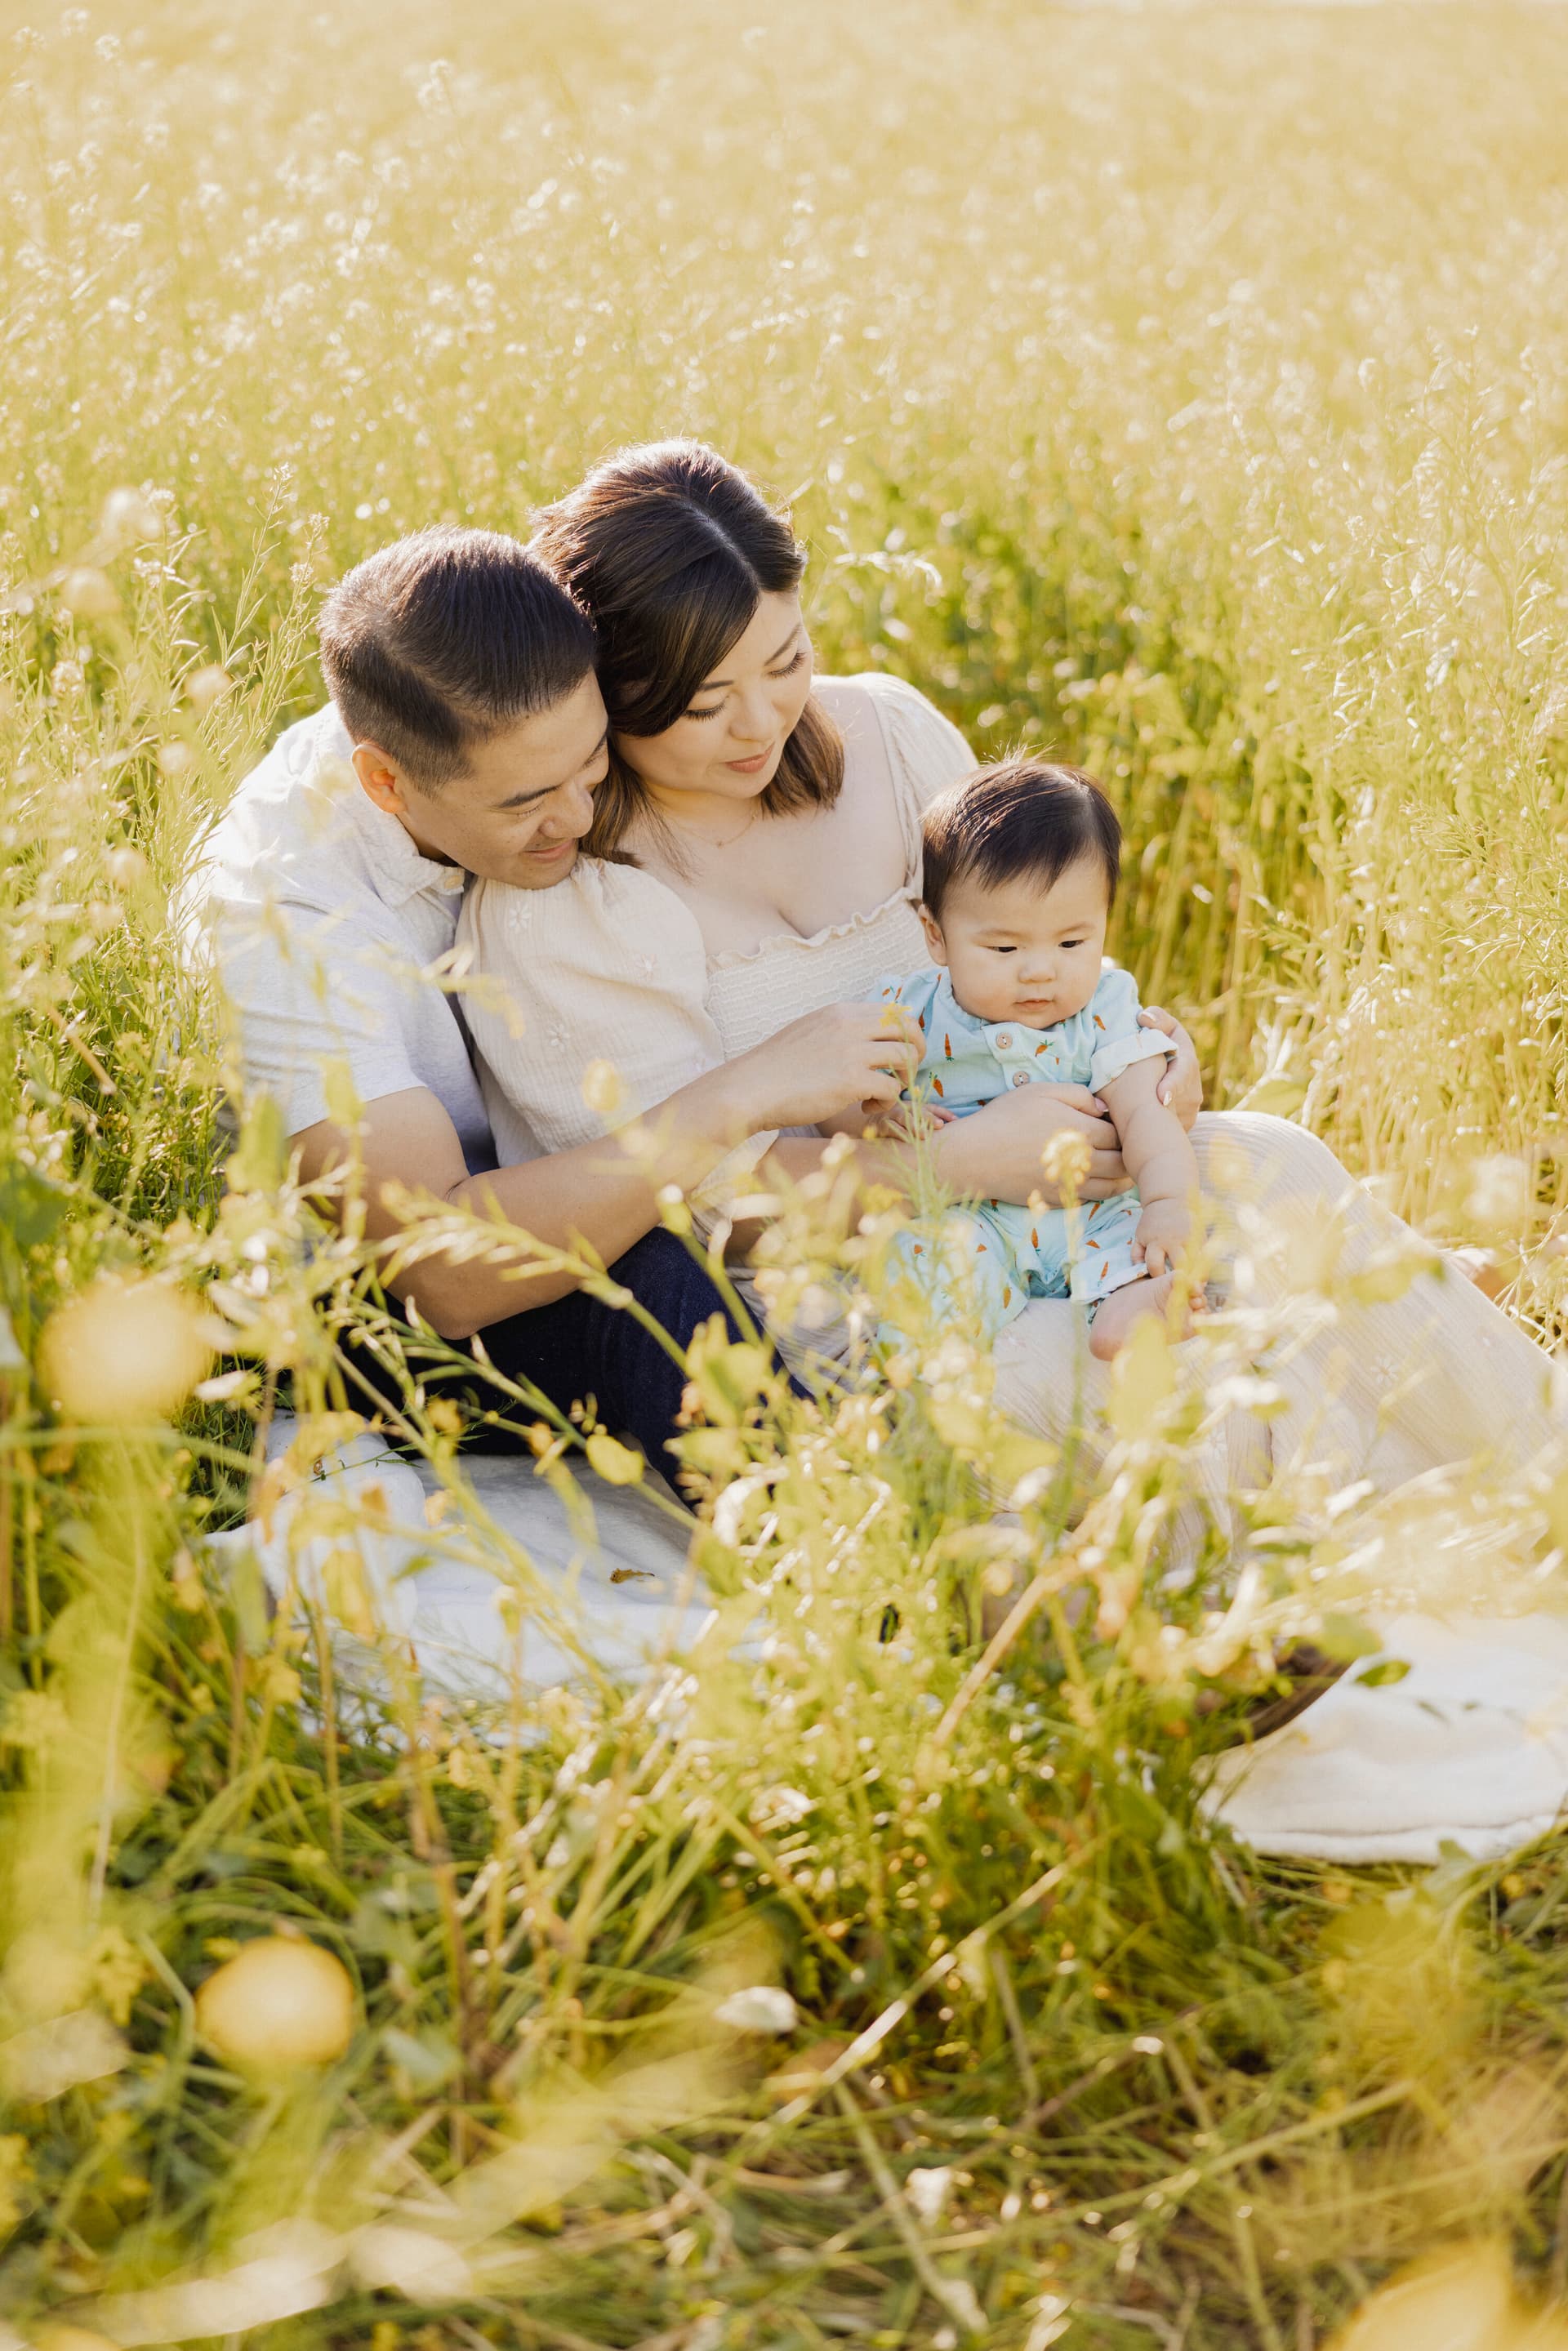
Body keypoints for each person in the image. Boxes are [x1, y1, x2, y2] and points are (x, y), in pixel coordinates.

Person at [494, 436, 1561, 1499]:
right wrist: (949, 1169)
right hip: (869, 1283)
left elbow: (1035, 939)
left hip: (1064, 1197)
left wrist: (1143, 1060)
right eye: (705, 701)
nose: (764, 718)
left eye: (785, 661)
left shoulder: (890, 732)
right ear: (613, 696)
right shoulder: (572, 905)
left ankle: (1528, 1466)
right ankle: (1393, 1490)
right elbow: (674, 1219)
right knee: (1172, 1363)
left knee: (1271, 1161)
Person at [186, 527, 928, 1480]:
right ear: (385, 782)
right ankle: (823, 1551)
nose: (579, 821)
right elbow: (440, 1271)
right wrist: (739, 1095)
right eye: (527, 803)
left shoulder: (485, 682)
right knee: (655, 1282)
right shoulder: (285, 926)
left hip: (564, 1163)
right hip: (374, 1311)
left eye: (591, 767)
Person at [861, 759, 1203, 1360]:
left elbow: (1149, 1118)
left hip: (1091, 1211)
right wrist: (879, 1119)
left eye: (1073, 942)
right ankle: (932, 1362)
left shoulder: (1105, 1007)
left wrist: (1169, 1204)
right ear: (935, 935)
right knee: (927, 1257)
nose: (1041, 968)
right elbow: (851, 1101)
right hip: (975, 1216)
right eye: (1004, 947)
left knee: (1139, 1241)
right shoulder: (906, 1013)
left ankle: (1130, 1306)